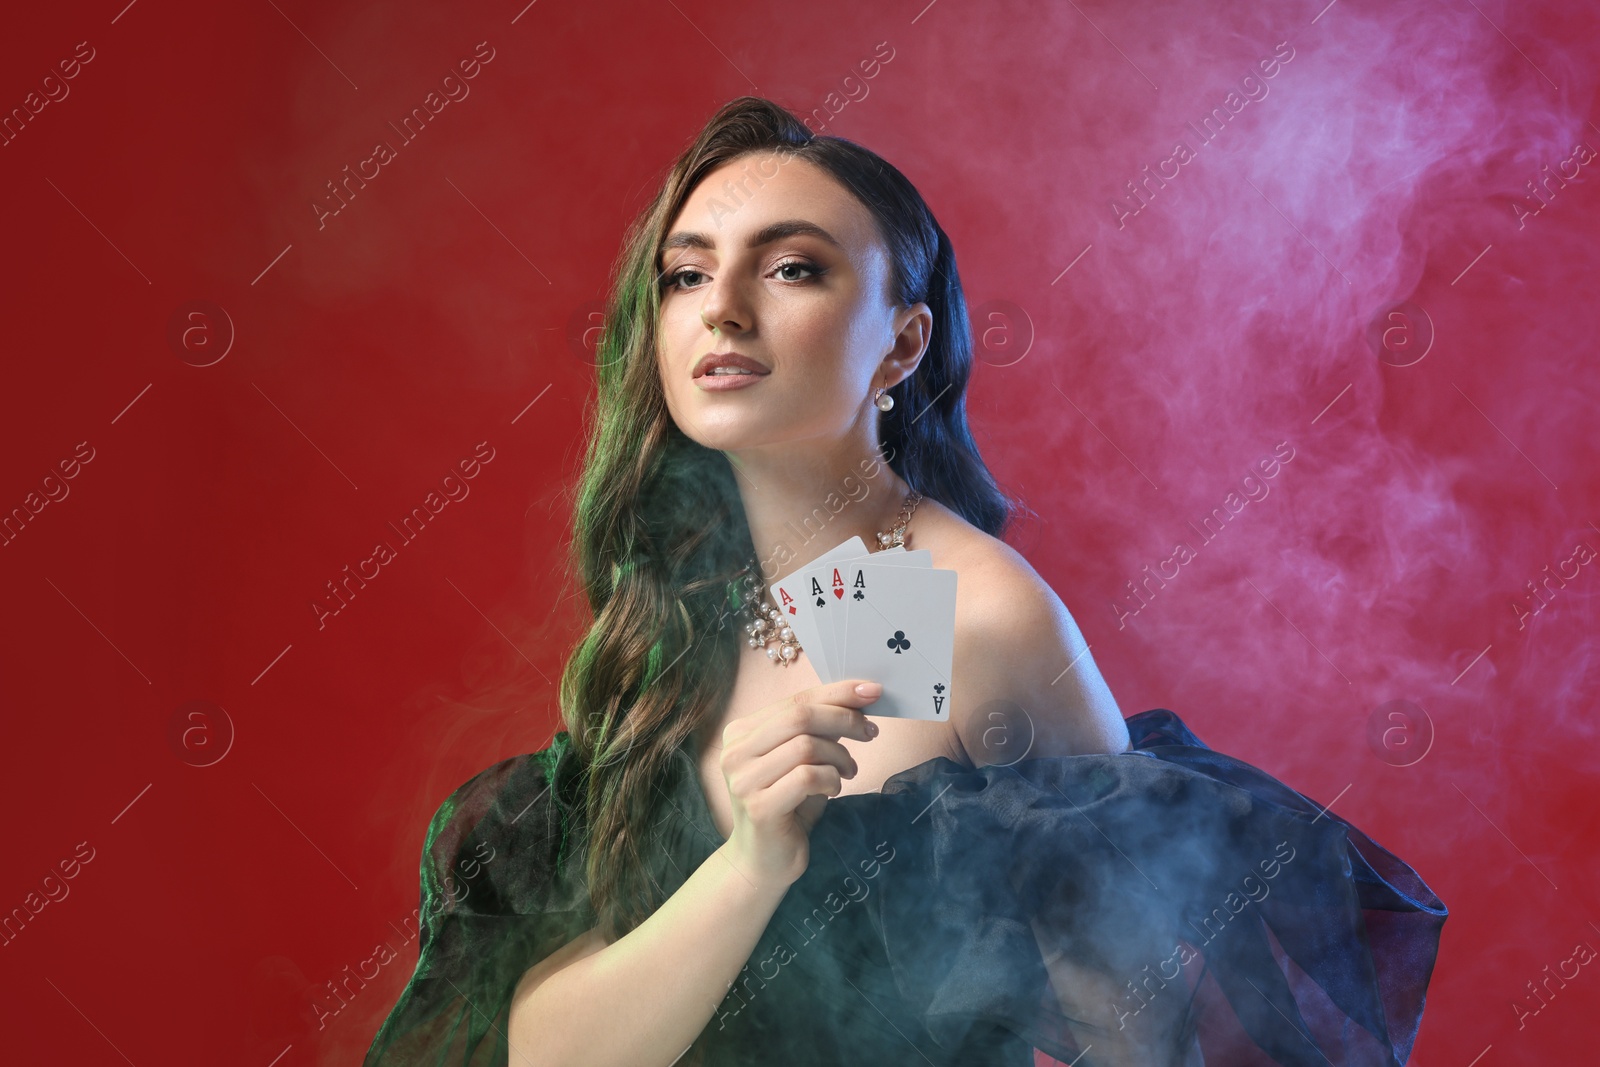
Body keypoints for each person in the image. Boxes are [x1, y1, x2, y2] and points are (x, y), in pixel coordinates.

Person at [362, 97, 1446, 1067]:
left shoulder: (962, 608)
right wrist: (750, 865)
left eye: (791, 267)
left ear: (901, 342)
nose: (721, 308)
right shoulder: (682, 609)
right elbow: (548, 1053)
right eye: (687, 272)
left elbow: (1141, 1030)